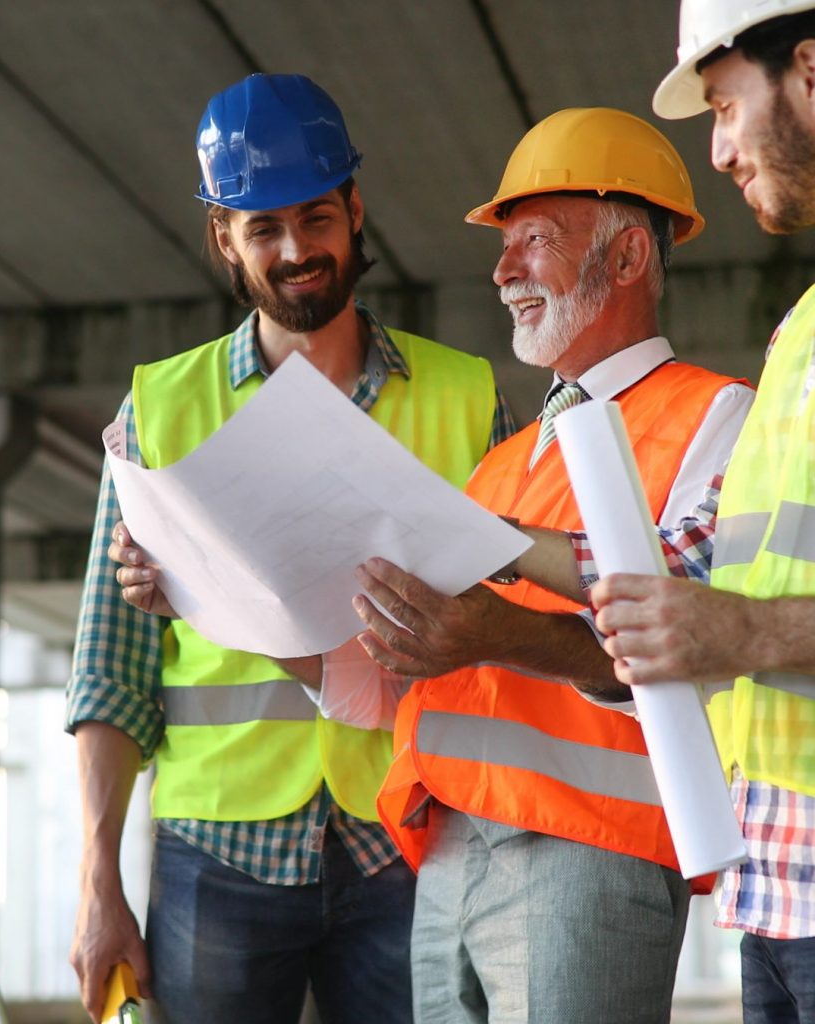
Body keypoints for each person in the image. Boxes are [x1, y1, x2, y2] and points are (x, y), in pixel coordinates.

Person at [65, 72, 513, 1024]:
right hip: (217, 851)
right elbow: (110, 670)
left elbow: (516, 637)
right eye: (262, 228)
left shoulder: (467, 397)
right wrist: (98, 880)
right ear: (224, 239)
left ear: (355, 210)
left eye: (315, 218)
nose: (296, 250)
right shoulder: (158, 412)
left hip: (412, 835)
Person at [346, 107, 755, 1024]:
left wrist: (505, 633)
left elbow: (696, 638)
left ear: (627, 259)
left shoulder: (718, 417)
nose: (500, 271)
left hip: (591, 847)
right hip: (451, 847)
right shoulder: (506, 458)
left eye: (533, 239)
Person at [585, 5, 815, 1021]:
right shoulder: (799, 331)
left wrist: (749, 631)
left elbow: (748, 614)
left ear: (808, 69)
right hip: (776, 883)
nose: (716, 149)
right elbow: (718, 556)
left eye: (724, 105)